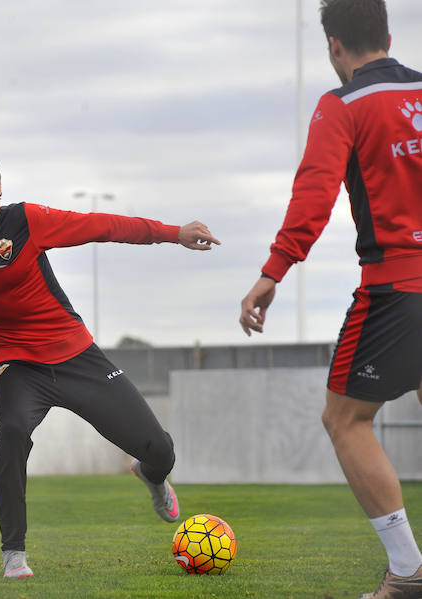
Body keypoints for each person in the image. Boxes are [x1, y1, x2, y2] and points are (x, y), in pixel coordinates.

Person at [0, 156, 221, 578]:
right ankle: (13, 553)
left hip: (77, 356)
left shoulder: (26, 221)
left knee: (160, 449)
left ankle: (151, 474)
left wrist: (172, 233)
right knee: (12, 434)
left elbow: (102, 225)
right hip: (18, 366)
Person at [238, 1, 422, 597]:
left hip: (398, 286)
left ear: (334, 47)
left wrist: (274, 270)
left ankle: (407, 571)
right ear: (390, 36)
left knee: (345, 419)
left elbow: (313, 196)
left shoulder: (341, 104)